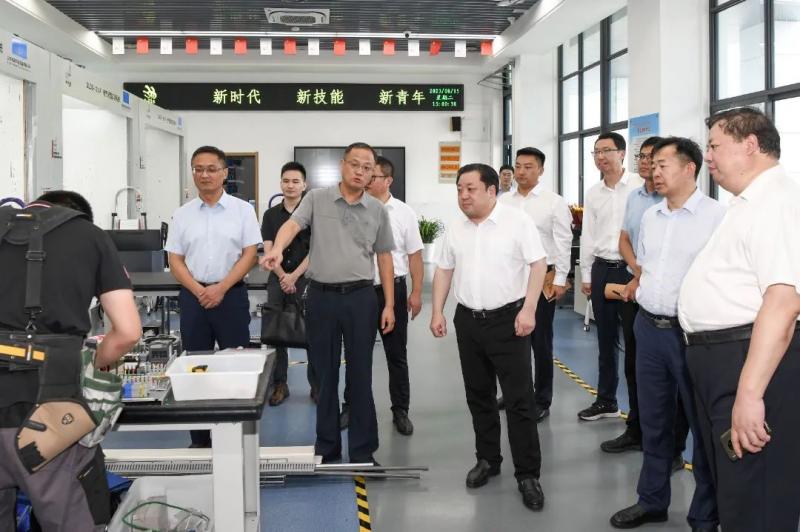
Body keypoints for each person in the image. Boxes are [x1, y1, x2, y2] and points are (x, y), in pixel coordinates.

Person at [679, 107, 800, 532]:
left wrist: (749, 396)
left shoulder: (775, 201)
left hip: (747, 361)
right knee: (734, 486)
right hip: (721, 361)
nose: (708, 156)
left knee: (755, 493)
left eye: (715, 146)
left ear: (750, 145)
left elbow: (783, 303)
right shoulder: (747, 203)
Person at [0, 191, 141, 531]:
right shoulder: (90, 237)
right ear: (77, 215)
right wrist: (95, 362)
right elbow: (127, 332)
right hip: (47, 417)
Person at [609, 137, 723, 531]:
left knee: (702, 426)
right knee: (654, 422)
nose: (654, 172)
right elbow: (646, 268)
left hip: (691, 335)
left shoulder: (717, 218)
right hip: (648, 329)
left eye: (663, 165)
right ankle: (652, 500)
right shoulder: (652, 217)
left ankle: (705, 514)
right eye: (652, 165)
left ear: (690, 168)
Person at [261, 142, 396, 465]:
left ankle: (363, 451)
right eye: (355, 164)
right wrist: (277, 249)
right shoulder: (316, 199)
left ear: (373, 173)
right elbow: (292, 225)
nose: (360, 172)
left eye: (367, 168)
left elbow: (384, 258)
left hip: (361, 298)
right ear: (342, 165)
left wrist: (389, 304)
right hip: (322, 298)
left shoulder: (377, 209)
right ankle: (327, 447)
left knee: (361, 375)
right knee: (325, 375)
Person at [431, 163, 547, 511]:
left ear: (491, 190)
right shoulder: (456, 227)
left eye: (470, 189)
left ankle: (528, 474)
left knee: (519, 400)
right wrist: (437, 311)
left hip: (508, 321)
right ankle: (488, 459)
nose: (463, 196)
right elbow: (444, 269)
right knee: (478, 395)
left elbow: (538, 264)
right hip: (468, 321)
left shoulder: (517, 222)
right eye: (459, 189)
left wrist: (529, 309)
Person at [165, 145, 262, 448]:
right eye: (198, 169)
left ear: (224, 173)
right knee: (195, 368)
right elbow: (175, 260)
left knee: (237, 367)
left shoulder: (242, 210)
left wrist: (221, 288)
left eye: (211, 169)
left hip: (231, 296)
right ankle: (199, 441)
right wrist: (199, 290)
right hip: (193, 299)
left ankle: (237, 438)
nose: (204, 175)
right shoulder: (182, 214)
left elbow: (250, 255)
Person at [497, 147, 572, 421]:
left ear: (541, 170)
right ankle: (515, 392)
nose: (521, 172)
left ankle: (542, 398)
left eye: (528, 167)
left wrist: (561, 278)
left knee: (540, 341)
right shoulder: (504, 201)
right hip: (510, 277)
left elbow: (563, 242)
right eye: (518, 166)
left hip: (542, 278)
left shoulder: (554, 202)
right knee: (510, 340)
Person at [578, 132, 643, 421]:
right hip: (602, 269)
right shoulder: (594, 193)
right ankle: (606, 401)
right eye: (596, 152)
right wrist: (586, 274)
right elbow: (588, 235)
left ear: (622, 153)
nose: (600, 157)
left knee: (634, 343)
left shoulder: (639, 187)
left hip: (631, 271)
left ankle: (639, 412)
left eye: (606, 150)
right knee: (605, 341)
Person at [363, 156, 424, 435]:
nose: (366, 179)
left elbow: (415, 256)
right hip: (359, 291)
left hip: (394, 291)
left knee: (396, 354)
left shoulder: (403, 213)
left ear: (388, 180)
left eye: (372, 175)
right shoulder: (355, 207)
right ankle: (353, 406)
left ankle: (400, 410)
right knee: (357, 354)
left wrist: (416, 292)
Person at [261, 161, 318, 406]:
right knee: (276, 335)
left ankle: (316, 386)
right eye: (286, 181)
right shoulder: (270, 215)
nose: (290, 185)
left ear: (304, 185)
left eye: (296, 181)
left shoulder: (314, 214)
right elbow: (269, 249)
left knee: (312, 332)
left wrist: (294, 276)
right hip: (277, 279)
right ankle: (279, 385)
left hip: (308, 279)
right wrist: (283, 275)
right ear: (280, 183)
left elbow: (317, 250)